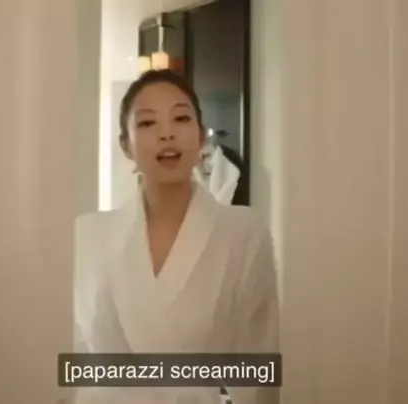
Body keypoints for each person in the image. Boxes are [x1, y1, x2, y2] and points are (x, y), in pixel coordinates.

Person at [74, 69, 279, 403]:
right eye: (147, 123)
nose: (167, 133)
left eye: (181, 118)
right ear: (126, 146)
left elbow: (257, 369)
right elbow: (74, 358)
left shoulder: (244, 233)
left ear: (200, 136)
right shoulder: (88, 235)